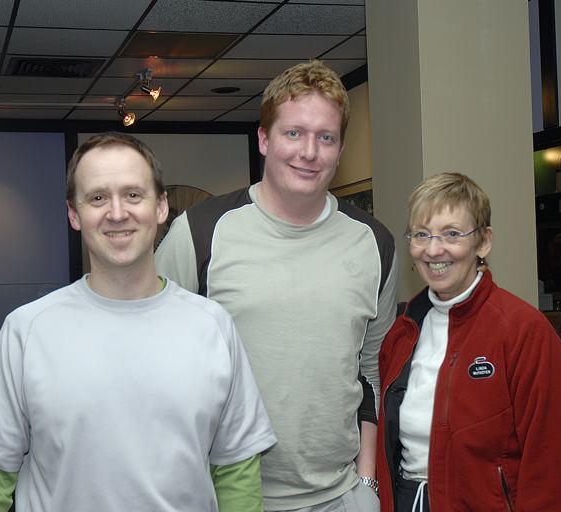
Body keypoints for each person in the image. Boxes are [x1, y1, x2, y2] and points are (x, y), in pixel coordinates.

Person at [0, 132, 276, 512]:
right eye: (98, 198)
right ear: (74, 214)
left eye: (133, 194)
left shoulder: (212, 326)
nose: (117, 213)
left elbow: (236, 474)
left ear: (161, 207)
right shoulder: (28, 330)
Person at [156, 60, 398, 511]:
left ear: (341, 148)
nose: (309, 151)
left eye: (325, 137)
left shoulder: (374, 243)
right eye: (294, 133)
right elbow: (155, 363)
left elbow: (372, 372)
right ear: (264, 139)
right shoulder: (200, 233)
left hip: (341, 494)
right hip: (227, 495)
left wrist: (366, 482)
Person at [376, 172, 561, 511]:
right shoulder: (403, 331)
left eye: (452, 234)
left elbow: (552, 465)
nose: (433, 250)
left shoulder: (524, 331)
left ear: (483, 242)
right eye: (421, 234)